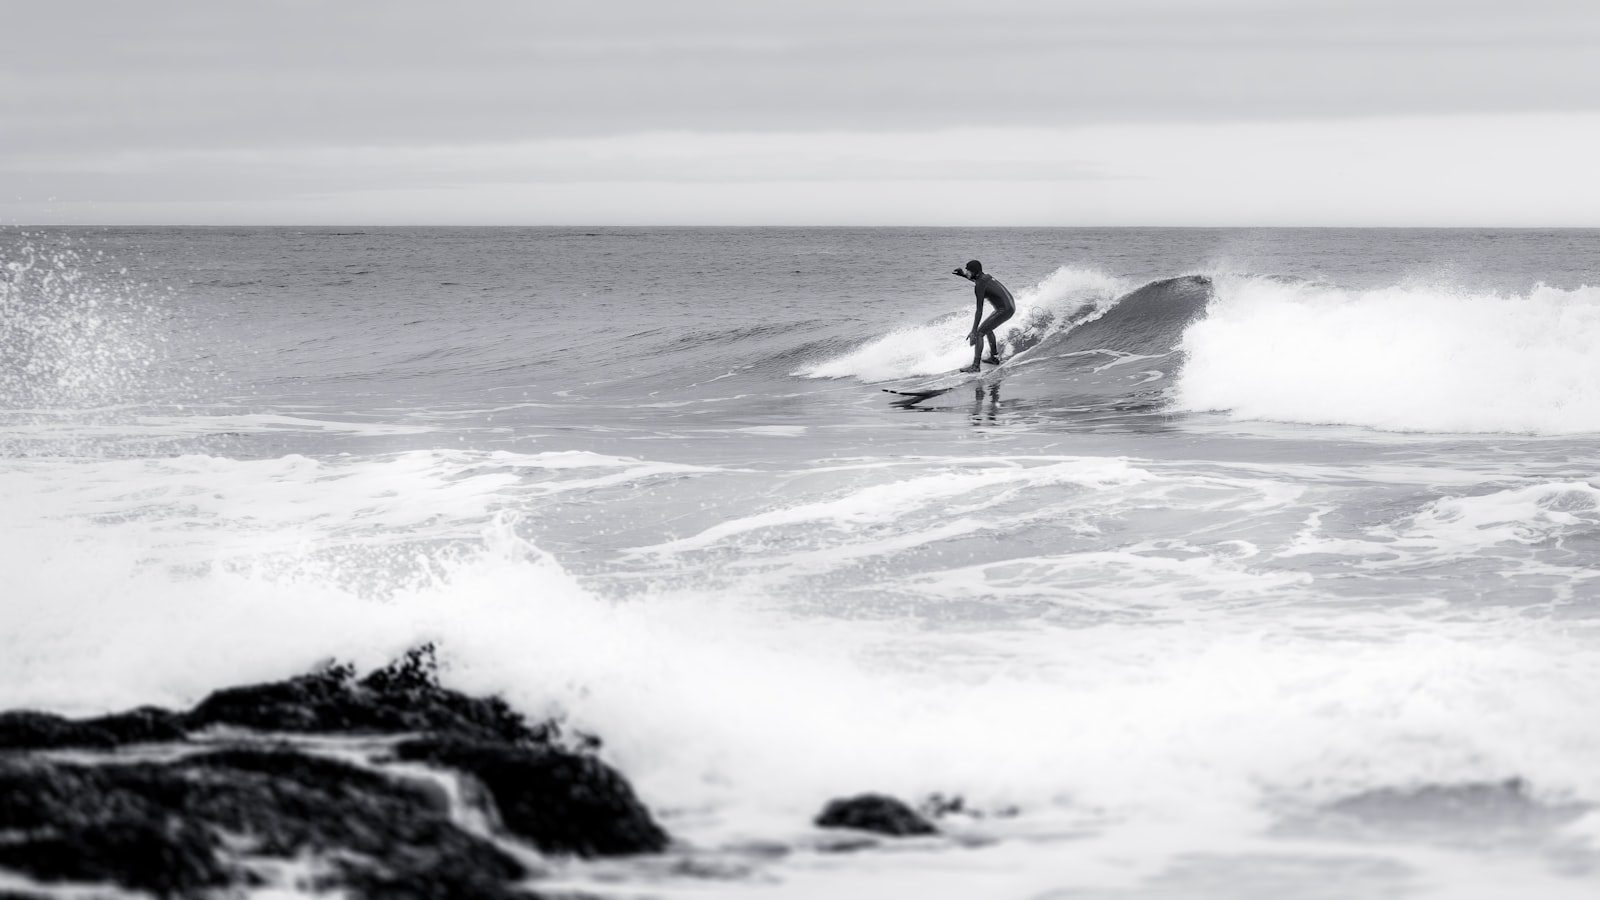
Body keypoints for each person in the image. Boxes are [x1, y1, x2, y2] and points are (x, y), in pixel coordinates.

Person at [952, 259, 1014, 372]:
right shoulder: (986, 277)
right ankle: (994, 357)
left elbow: (979, 310)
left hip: (1004, 309)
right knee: (987, 328)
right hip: (1009, 306)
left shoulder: (979, 285)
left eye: (968, 271)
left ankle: (975, 366)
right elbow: (978, 282)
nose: (967, 273)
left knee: (980, 333)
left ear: (975, 272)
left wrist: (973, 331)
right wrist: (963, 276)